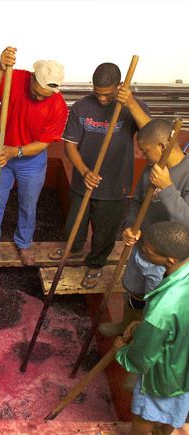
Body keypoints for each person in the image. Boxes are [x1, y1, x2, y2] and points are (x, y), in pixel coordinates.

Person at [48, 63, 150, 289]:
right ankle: (73, 249)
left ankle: (95, 265)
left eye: (108, 94)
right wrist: (84, 171)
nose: (102, 99)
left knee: (105, 231)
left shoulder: (131, 107)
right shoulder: (82, 107)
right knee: (74, 224)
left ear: (120, 86)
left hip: (115, 185)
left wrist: (130, 102)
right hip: (82, 181)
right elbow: (70, 146)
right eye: (98, 93)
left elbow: (151, 133)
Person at [99, 119, 189, 336]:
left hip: (165, 260)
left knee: (155, 305)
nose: (144, 156)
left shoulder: (185, 174)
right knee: (133, 293)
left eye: (146, 151)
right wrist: (131, 226)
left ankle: (141, 341)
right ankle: (126, 326)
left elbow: (186, 221)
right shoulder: (152, 168)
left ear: (163, 146)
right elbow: (138, 201)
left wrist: (167, 187)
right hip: (141, 247)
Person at [0, 47, 68, 265]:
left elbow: (43, 143)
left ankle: (23, 242)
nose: (38, 98)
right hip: (2, 151)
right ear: (32, 77)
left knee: (28, 204)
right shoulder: (15, 77)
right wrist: (1, 69)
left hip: (31, 160)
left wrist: (16, 152)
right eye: (37, 92)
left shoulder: (59, 106)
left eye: (44, 96)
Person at [115, 221, 189, 435]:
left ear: (170, 259)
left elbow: (143, 356)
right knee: (175, 410)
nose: (142, 250)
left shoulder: (163, 308)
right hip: (185, 369)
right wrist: (143, 325)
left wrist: (122, 351)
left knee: (146, 414)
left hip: (164, 374)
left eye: (147, 251)